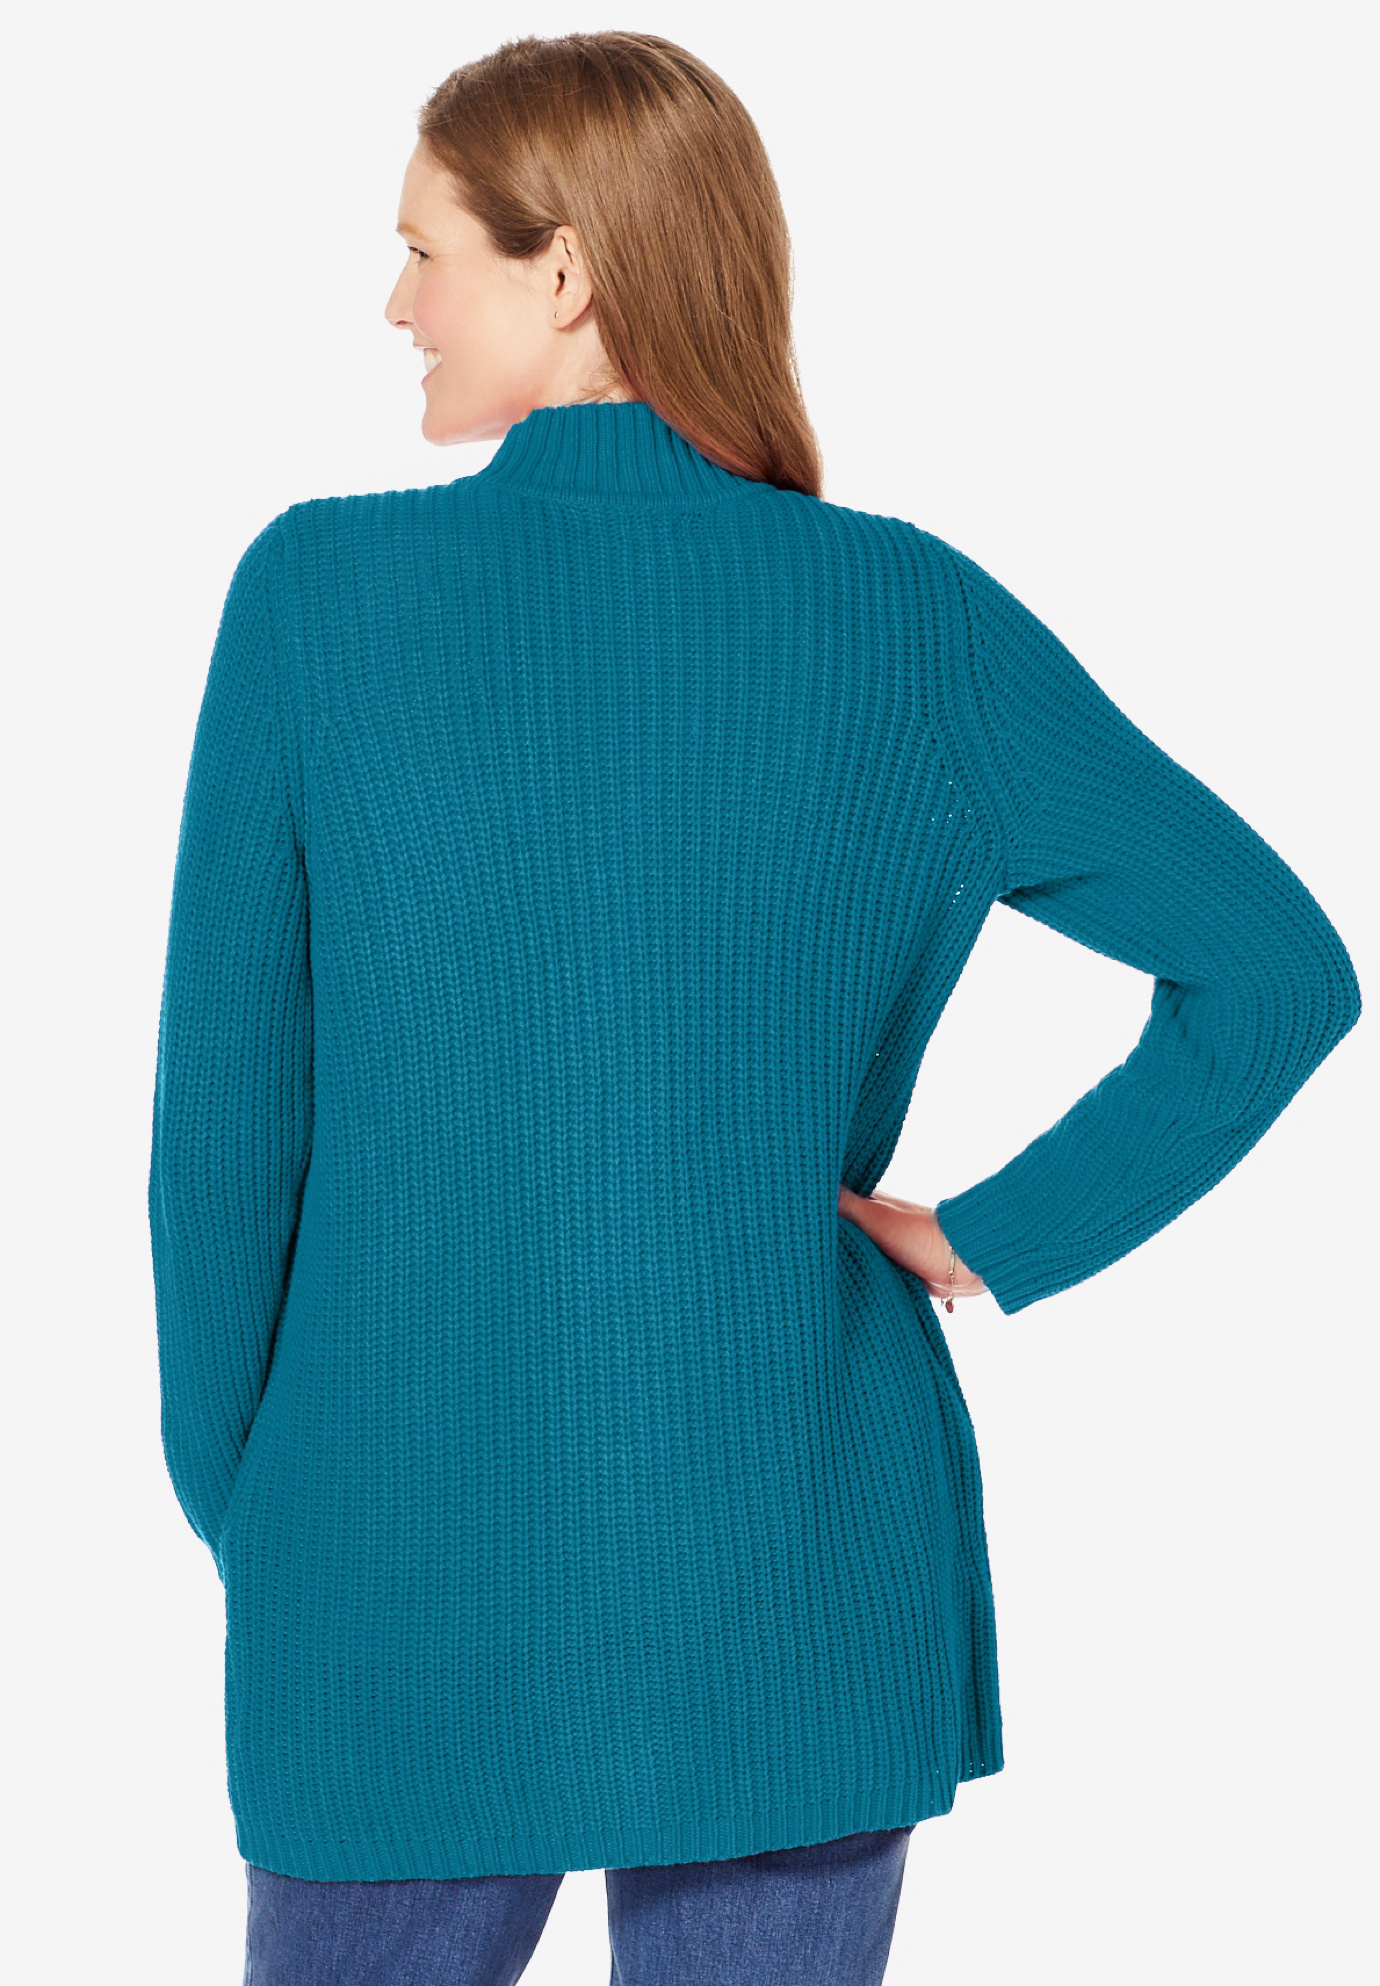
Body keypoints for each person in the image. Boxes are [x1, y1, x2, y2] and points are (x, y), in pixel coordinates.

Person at [146, 29, 1362, 1986]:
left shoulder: (317, 595)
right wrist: (997, 1236)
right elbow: (1273, 968)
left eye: (427, 249)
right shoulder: (905, 615)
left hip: (393, 1576)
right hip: (792, 1557)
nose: (395, 302)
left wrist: (260, 1515)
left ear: (566, 270)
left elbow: (225, 1136)